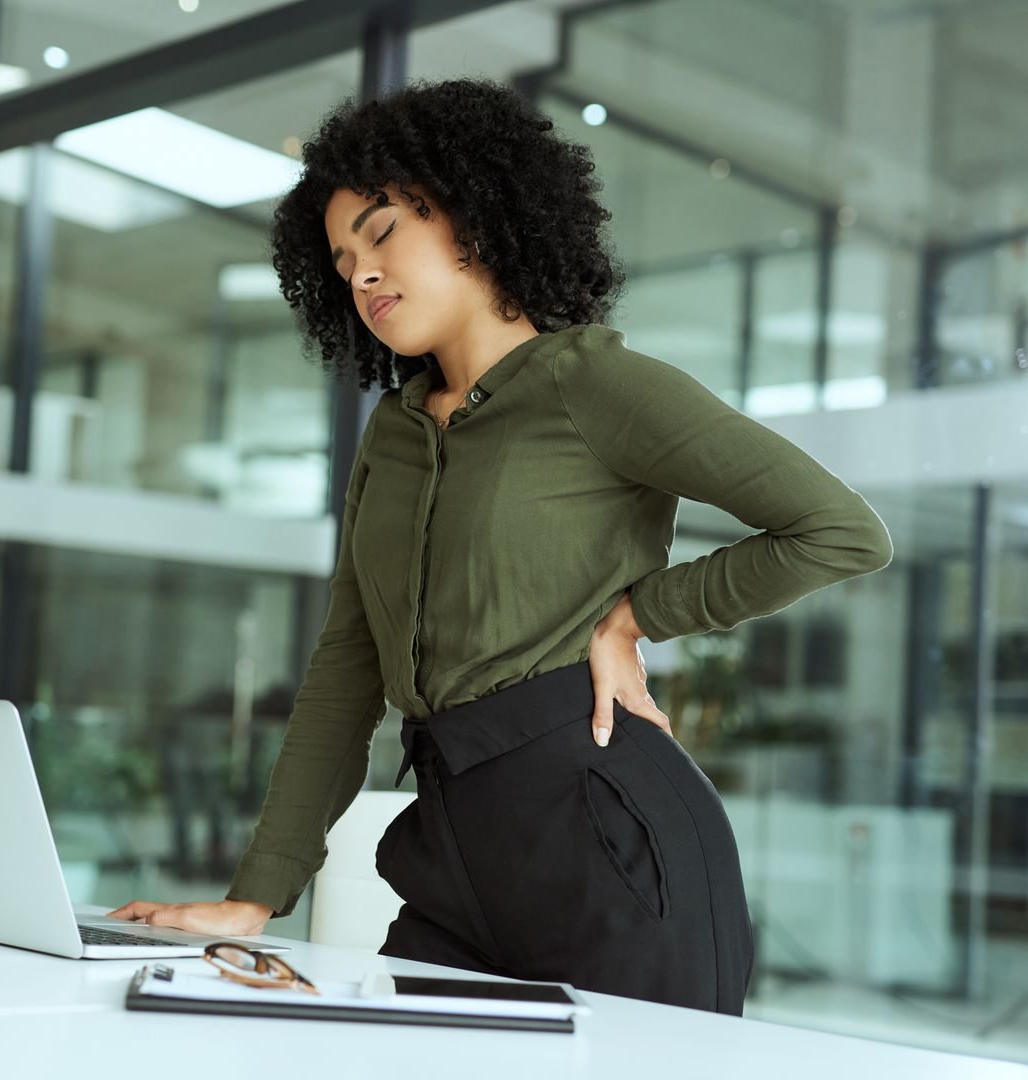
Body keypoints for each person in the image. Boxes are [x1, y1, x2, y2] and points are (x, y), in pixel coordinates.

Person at [110, 76, 894, 1013]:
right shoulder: (394, 435)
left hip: (610, 845)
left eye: (383, 230)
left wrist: (639, 615)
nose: (359, 272)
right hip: (450, 855)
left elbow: (840, 531)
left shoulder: (596, 384)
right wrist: (257, 897)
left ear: (474, 217)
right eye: (340, 256)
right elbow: (347, 667)